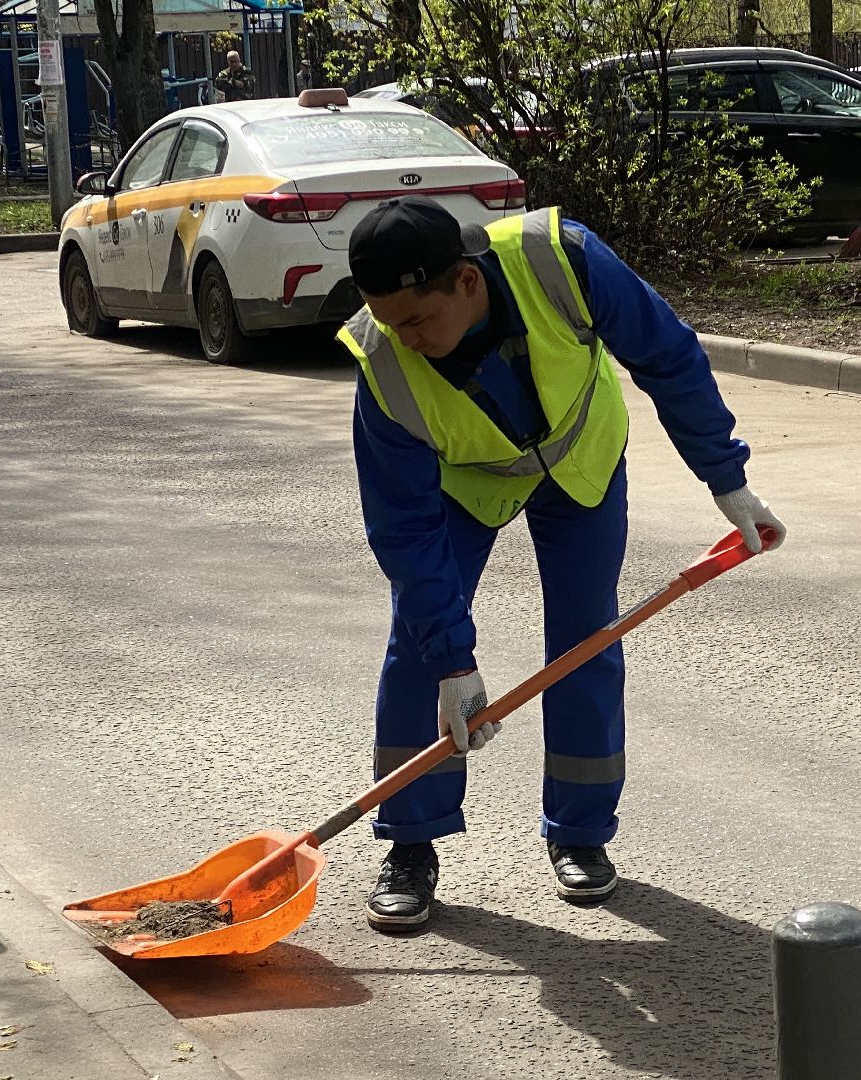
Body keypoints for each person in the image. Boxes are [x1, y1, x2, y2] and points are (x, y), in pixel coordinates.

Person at [339, 196, 787, 931]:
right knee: (419, 651)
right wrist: (456, 662)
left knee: (586, 641)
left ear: (467, 282)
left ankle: (580, 835)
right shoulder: (384, 364)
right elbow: (404, 530)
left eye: (419, 320)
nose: (407, 340)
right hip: (469, 484)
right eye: (391, 323)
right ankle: (410, 844)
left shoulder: (562, 260)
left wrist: (726, 478)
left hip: (580, 459)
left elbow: (667, 356)